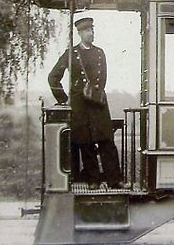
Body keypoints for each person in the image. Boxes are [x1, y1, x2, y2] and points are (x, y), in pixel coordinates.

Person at [48, 17, 123, 189]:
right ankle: (93, 180)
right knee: (86, 143)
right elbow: (53, 77)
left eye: (92, 30)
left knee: (106, 141)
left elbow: (103, 77)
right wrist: (64, 99)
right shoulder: (70, 54)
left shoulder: (99, 52)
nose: (91, 33)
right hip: (80, 104)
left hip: (97, 101)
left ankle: (114, 180)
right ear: (80, 33)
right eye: (87, 31)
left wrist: (95, 93)